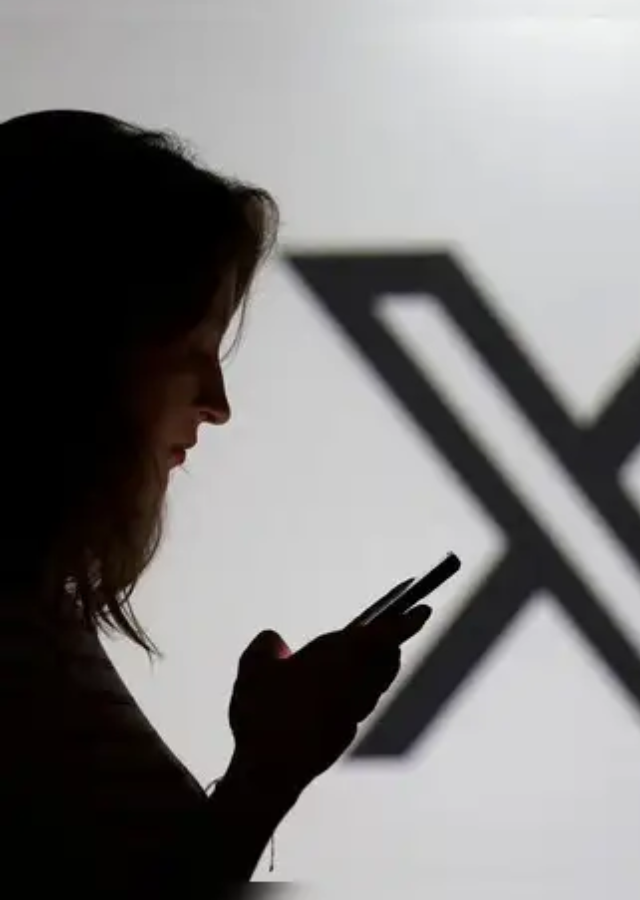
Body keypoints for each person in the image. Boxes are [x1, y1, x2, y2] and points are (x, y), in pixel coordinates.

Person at [0, 110, 434, 888]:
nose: (218, 403)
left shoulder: (36, 614)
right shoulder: (19, 640)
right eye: (193, 352)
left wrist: (268, 770)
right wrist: (267, 772)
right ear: (79, 353)